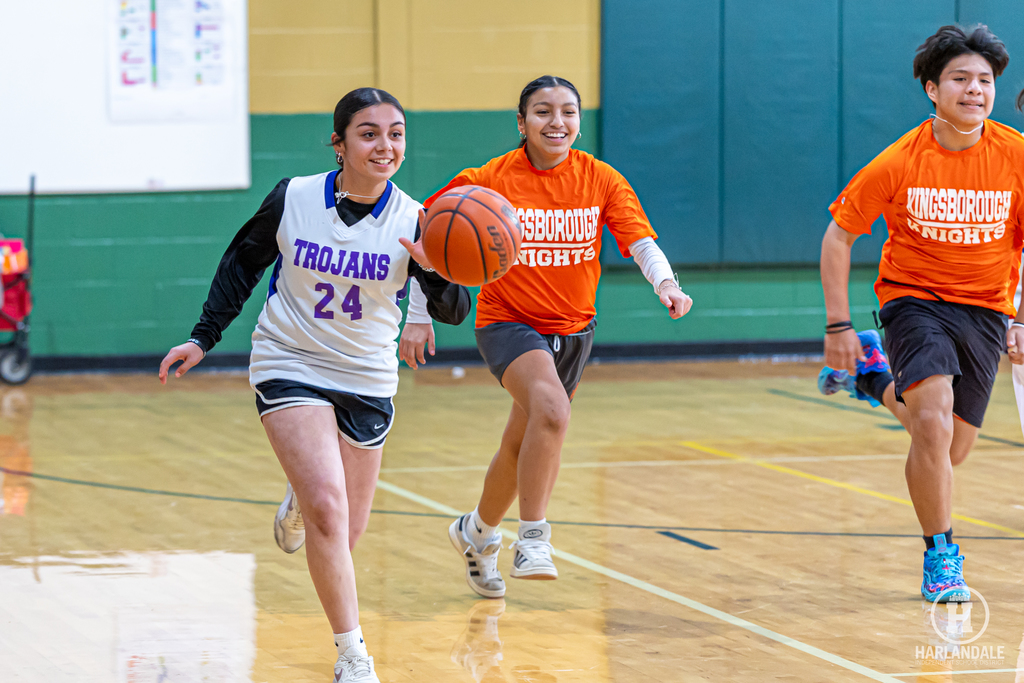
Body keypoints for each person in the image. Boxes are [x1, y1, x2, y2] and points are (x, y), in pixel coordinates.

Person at [158, 87, 470, 682]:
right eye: (369, 133)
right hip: (289, 358)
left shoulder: (416, 217)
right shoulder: (295, 197)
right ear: (340, 142)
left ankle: (300, 495)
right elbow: (242, 262)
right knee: (330, 510)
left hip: (368, 374)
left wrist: (433, 265)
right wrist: (204, 336)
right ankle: (352, 654)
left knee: (345, 532)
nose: (386, 145)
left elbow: (453, 310)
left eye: (396, 133)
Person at [400, 75, 692, 599]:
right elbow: (423, 237)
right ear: (521, 123)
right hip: (507, 322)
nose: (557, 122)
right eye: (542, 112)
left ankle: (476, 533)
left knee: (522, 443)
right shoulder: (486, 180)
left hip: (574, 329)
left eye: (568, 112)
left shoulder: (601, 179)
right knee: (553, 412)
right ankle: (532, 537)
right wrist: (418, 313)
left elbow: (641, 240)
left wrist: (666, 283)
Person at [817, 25, 1024, 603]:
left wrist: (1022, 320)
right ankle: (942, 556)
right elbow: (839, 238)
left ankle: (871, 376)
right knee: (930, 424)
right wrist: (836, 325)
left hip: (985, 309)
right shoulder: (899, 161)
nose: (974, 90)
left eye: (984, 80)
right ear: (933, 89)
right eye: (960, 79)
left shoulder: (1017, 157)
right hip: (914, 300)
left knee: (948, 450)